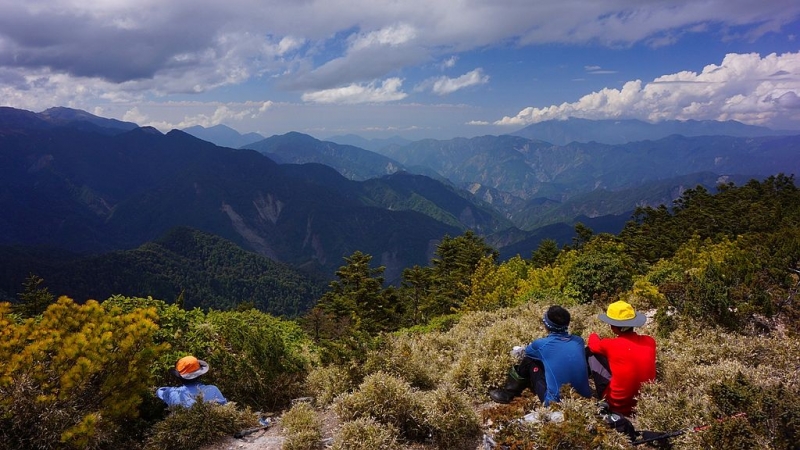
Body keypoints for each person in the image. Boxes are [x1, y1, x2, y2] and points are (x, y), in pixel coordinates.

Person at [490, 305, 592, 405]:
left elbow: (527, 352)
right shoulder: (579, 341)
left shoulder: (541, 345)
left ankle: (509, 393)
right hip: (583, 397)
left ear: (546, 325)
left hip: (554, 403)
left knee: (529, 361)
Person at [587, 300, 656, 417]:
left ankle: (583, 387)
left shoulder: (609, 344)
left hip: (616, 405)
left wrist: (593, 334)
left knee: (591, 354)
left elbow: (592, 344)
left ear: (613, 327)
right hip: (645, 404)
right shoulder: (650, 341)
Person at [156, 355, 228, 408]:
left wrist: (172, 389)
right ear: (200, 375)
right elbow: (225, 407)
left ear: (179, 377)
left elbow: (159, 391)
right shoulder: (213, 390)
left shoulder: (172, 394)